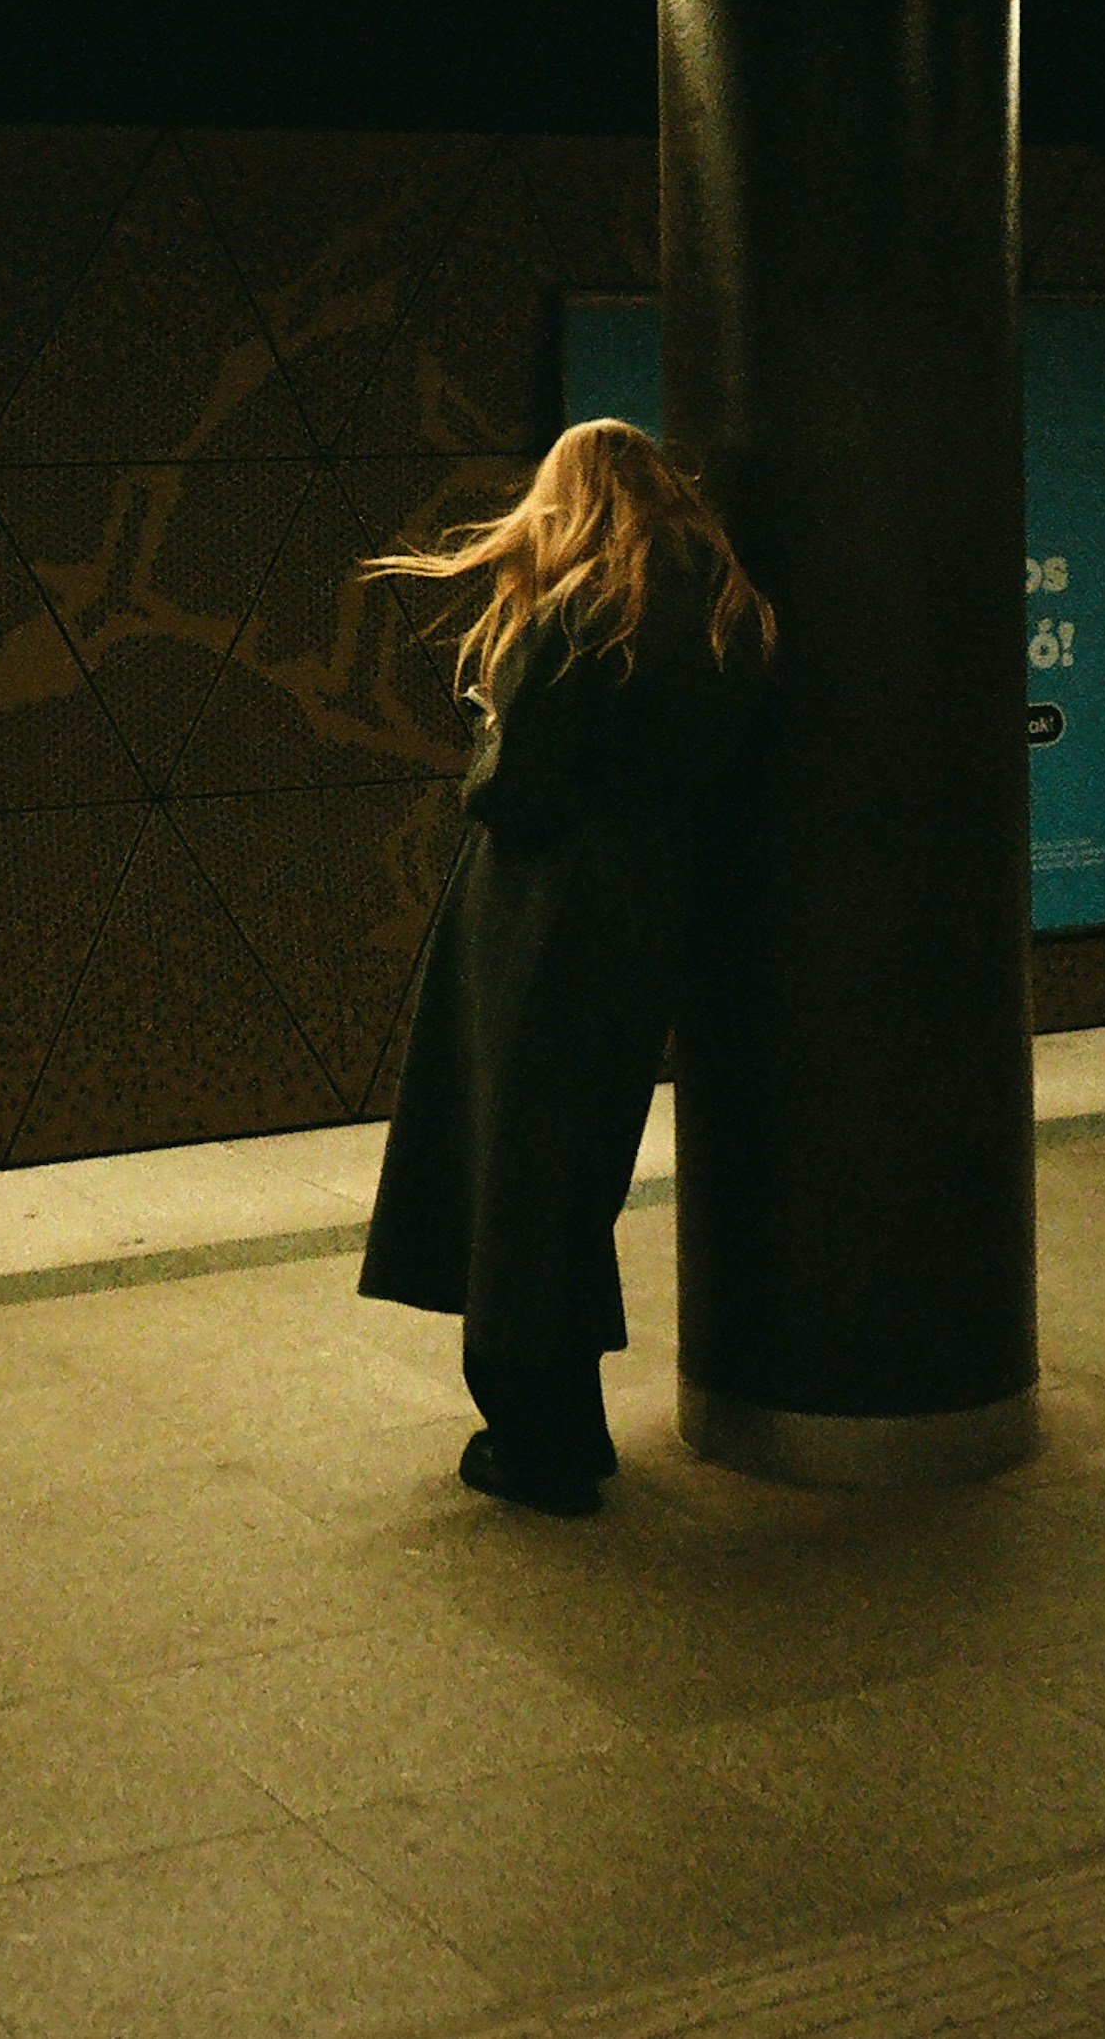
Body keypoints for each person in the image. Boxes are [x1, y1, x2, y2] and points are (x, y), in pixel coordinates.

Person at [356, 419, 776, 1516]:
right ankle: (568, 1424)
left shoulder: (580, 612)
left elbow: (514, 789)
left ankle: (535, 1442)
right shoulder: (730, 613)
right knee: (572, 1170)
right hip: (645, 913)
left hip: (538, 914)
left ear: (572, 499)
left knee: (510, 1161)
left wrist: (493, 726)